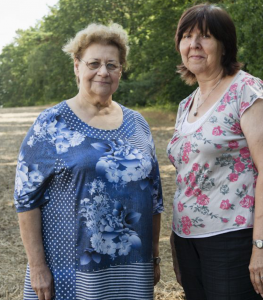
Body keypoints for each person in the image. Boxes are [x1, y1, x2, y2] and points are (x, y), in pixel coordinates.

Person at [14, 23, 163, 300]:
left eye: (112, 65)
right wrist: (37, 266)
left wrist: (154, 257)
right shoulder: (51, 123)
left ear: (121, 70)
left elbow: (154, 197)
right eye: (94, 63)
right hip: (69, 271)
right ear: (77, 66)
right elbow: (25, 199)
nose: (103, 72)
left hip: (131, 269)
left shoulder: (138, 124)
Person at [167, 3, 263, 300]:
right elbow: (188, 175)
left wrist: (261, 245)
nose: (193, 45)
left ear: (224, 44)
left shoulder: (247, 92)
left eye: (204, 36)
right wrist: (176, 241)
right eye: (186, 36)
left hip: (235, 238)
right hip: (188, 239)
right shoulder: (186, 104)